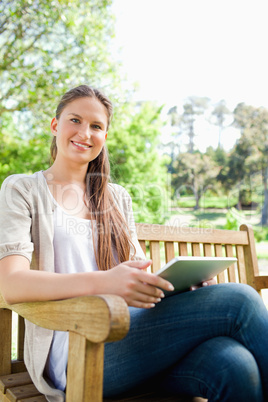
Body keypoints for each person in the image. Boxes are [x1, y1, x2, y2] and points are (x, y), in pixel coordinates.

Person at [0, 85, 267, 402]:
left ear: (105, 137)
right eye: (75, 120)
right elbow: (11, 284)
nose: (85, 132)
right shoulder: (22, 189)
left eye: (97, 126)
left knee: (234, 364)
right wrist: (106, 282)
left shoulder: (116, 198)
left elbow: (140, 272)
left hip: (139, 338)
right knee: (239, 300)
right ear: (56, 126)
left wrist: (179, 286)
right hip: (80, 347)